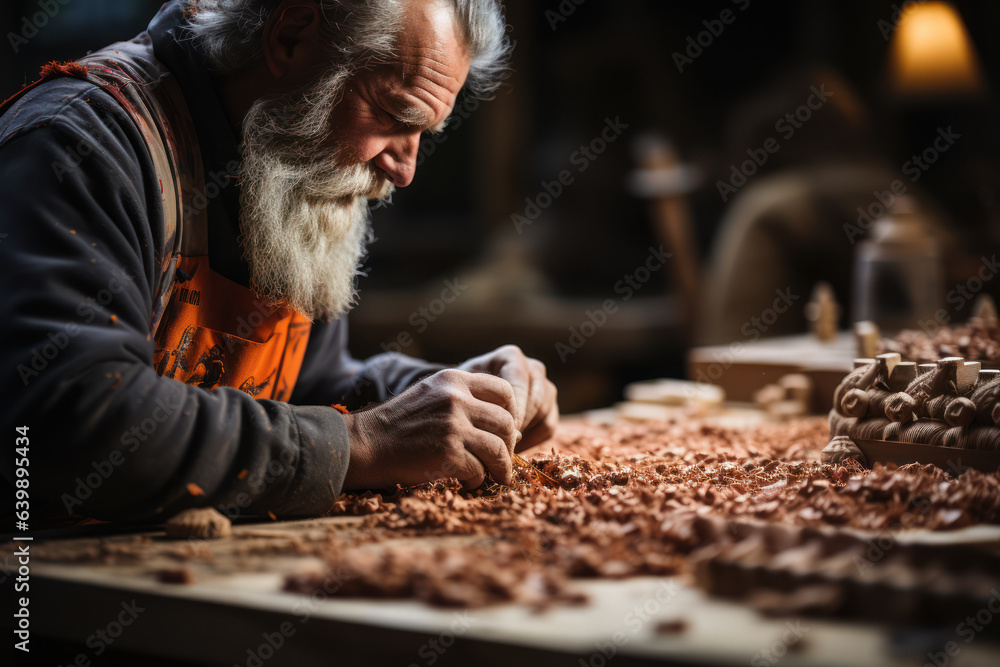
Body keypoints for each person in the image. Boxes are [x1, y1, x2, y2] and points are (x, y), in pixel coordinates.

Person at [0, 0, 558, 524]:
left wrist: (457, 398)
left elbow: (305, 386)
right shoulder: (77, 146)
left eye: (422, 135)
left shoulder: (283, 164)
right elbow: (71, 419)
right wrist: (361, 445)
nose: (404, 169)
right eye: (394, 113)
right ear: (290, 36)